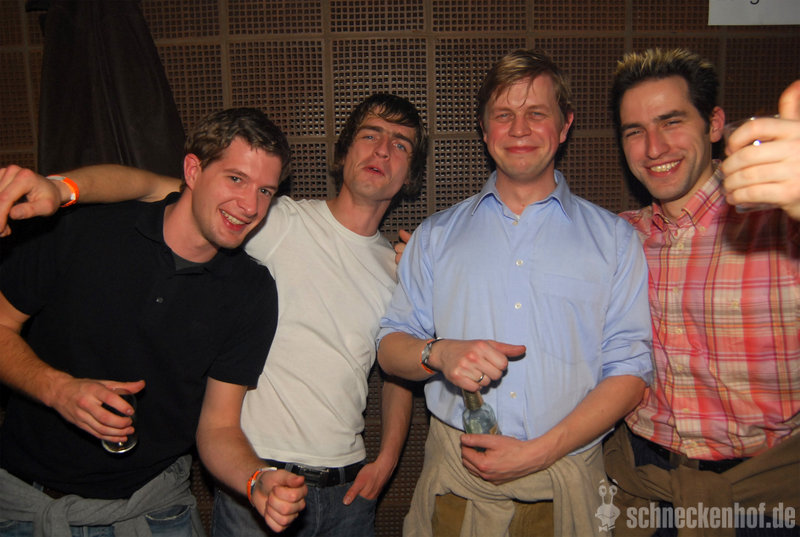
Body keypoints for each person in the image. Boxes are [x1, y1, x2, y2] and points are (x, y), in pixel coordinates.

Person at [0, 93, 428, 537]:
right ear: (343, 153)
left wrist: (387, 460)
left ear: (410, 173)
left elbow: (396, 365)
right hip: (253, 468)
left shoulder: (399, 269)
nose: (383, 150)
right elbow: (146, 186)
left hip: (339, 487)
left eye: (400, 144)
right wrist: (63, 188)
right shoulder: (276, 219)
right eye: (370, 135)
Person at [376, 48, 653, 537]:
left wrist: (541, 451)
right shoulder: (434, 237)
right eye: (504, 115)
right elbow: (389, 347)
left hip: (568, 486)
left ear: (564, 126)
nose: (519, 129)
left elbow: (630, 371)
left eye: (536, 113)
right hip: (457, 491)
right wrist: (439, 353)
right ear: (485, 131)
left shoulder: (614, 240)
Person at [0, 108, 307, 536]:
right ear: (193, 171)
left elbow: (219, 426)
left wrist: (256, 479)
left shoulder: (250, 291)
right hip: (25, 505)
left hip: (153, 512)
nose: (250, 206)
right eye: (236, 179)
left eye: (265, 191)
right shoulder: (83, 230)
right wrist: (58, 390)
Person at [602, 48, 800, 536]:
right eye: (634, 132)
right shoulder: (616, 239)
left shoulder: (780, 222)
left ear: (713, 124)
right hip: (647, 489)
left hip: (768, 497)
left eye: (671, 122)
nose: (654, 148)